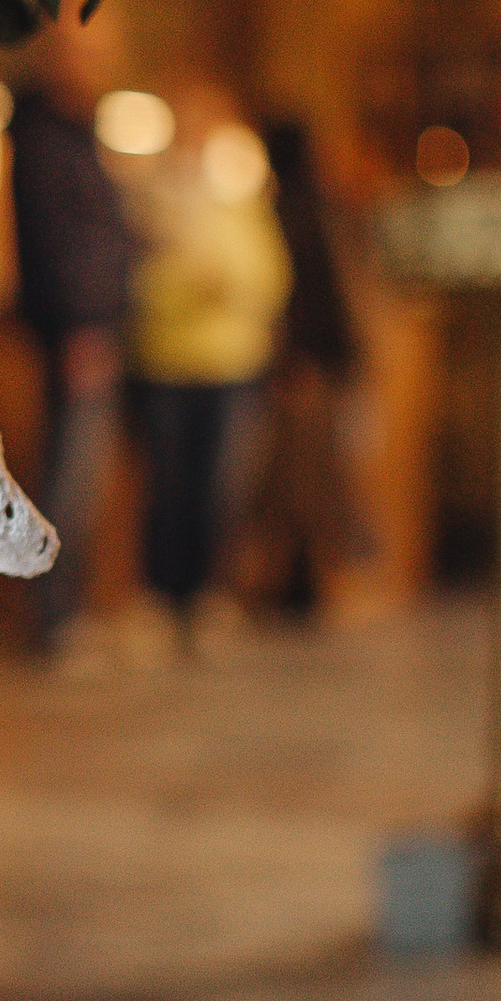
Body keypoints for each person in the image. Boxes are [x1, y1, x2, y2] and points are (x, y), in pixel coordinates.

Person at [122, 81, 291, 654]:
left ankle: (209, 596)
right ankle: (160, 597)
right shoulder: (149, 195)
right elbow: (136, 279)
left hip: (230, 359)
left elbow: (269, 273)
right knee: (166, 484)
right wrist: (182, 285)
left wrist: (229, 283)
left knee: (219, 484)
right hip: (166, 356)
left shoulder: (239, 191)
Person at [8, 28, 135, 660]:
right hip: (76, 329)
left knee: (82, 474)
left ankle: (67, 612)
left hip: (92, 323)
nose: (99, 67)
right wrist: (82, 324)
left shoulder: (70, 132)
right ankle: (53, 621)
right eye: (88, 56)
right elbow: (62, 242)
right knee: (69, 477)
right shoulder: (44, 136)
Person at [237, 115, 374, 621]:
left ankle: (305, 584)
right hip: (306, 366)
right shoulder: (300, 210)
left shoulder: (291, 208)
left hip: (308, 364)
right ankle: (294, 584)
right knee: (300, 482)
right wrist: (306, 359)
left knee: (306, 478)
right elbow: (306, 295)